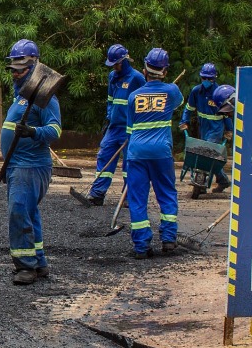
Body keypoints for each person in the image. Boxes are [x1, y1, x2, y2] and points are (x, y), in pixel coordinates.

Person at [1, 39, 63, 286]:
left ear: (35, 66)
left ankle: (25, 266)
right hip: (16, 165)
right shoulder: (21, 96)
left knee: (19, 212)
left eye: (21, 70)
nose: (15, 74)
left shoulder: (44, 98)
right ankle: (38, 262)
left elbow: (55, 130)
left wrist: (33, 132)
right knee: (28, 213)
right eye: (13, 69)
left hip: (31, 166)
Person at [126, 48, 184, 259]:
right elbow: (179, 103)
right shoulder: (172, 91)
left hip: (137, 152)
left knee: (137, 199)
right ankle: (168, 240)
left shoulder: (134, 96)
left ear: (144, 71)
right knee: (166, 194)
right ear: (165, 71)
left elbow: (130, 128)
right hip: (161, 152)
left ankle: (141, 246)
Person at [71, 44, 145, 207]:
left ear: (124, 61)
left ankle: (128, 196)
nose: (114, 67)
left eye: (116, 64)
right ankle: (97, 194)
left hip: (130, 129)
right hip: (114, 127)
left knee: (129, 163)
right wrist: (109, 117)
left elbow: (144, 104)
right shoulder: (112, 76)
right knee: (104, 156)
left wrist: (138, 126)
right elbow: (110, 101)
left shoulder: (137, 78)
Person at [179, 62, 232, 192]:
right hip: (203, 126)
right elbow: (189, 108)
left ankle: (201, 182)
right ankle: (223, 180)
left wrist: (229, 129)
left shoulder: (219, 93)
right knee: (209, 156)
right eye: (204, 78)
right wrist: (184, 121)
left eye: (209, 78)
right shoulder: (196, 91)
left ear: (214, 78)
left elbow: (226, 114)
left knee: (207, 154)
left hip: (216, 128)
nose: (207, 81)